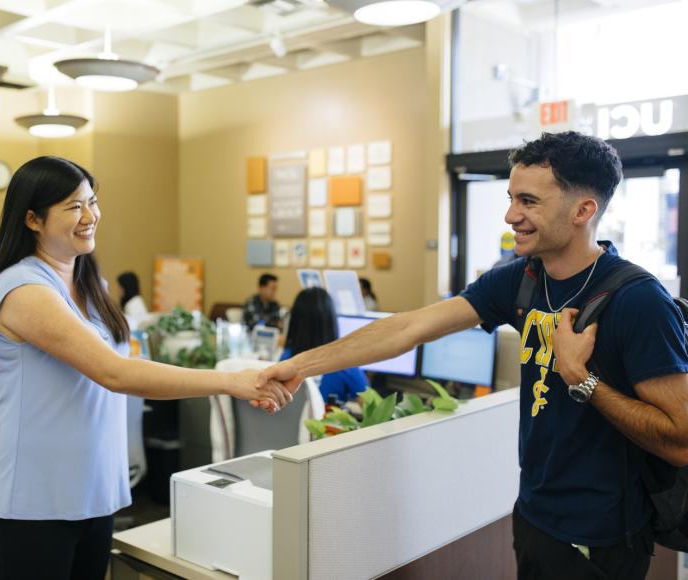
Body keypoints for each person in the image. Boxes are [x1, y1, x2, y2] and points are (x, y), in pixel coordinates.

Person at [259, 132, 688, 580]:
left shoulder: (637, 300)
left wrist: (580, 377)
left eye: (528, 201)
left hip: (601, 536)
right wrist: (297, 366)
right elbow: (408, 328)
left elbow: (680, 440)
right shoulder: (520, 278)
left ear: (583, 211)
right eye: (510, 198)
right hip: (534, 515)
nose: (510, 216)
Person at [0, 156, 292, 580]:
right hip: (35, 500)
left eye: (92, 202)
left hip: (92, 492)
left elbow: (126, 363)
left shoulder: (91, 285)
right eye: (73, 206)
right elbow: (114, 373)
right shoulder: (24, 289)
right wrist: (230, 382)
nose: (90, 217)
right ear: (32, 219)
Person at [283, 287, 367, 403]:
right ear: (331, 321)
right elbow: (370, 405)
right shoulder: (344, 364)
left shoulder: (285, 359)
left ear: (295, 321)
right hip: (328, 420)